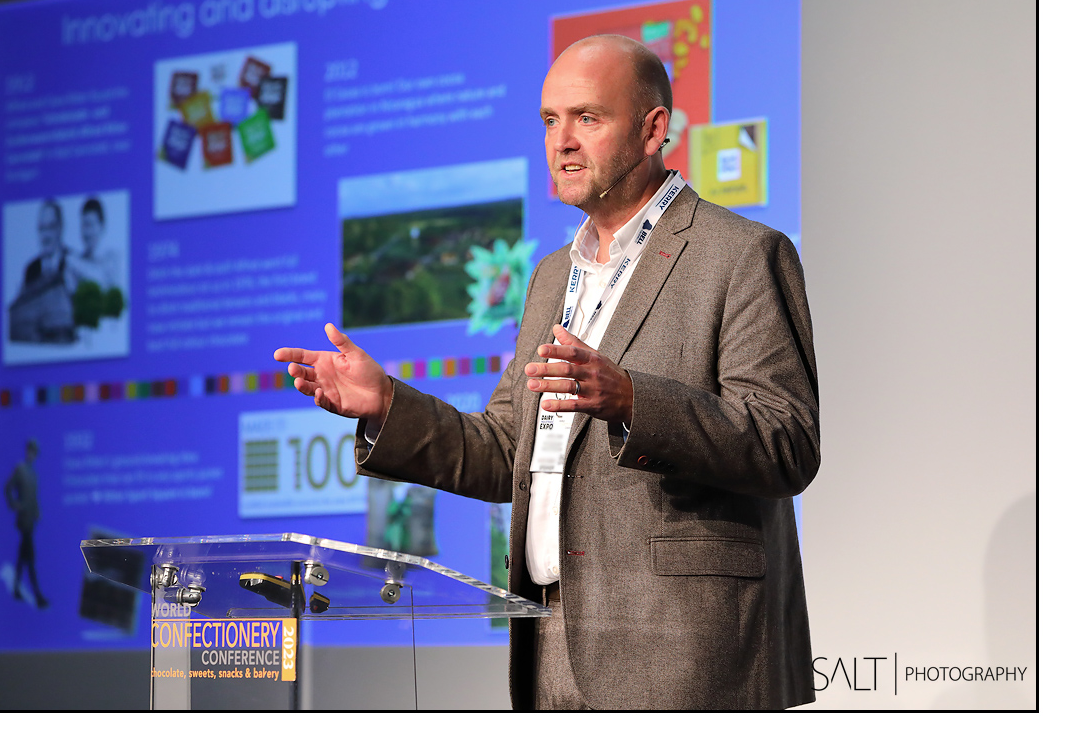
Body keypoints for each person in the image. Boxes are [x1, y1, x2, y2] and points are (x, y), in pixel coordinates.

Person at [274, 35, 819, 710]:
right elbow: (510, 450)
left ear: (653, 130)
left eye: (588, 118)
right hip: (549, 640)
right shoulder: (551, 277)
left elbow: (786, 441)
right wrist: (386, 405)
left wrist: (631, 401)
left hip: (683, 647)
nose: (561, 141)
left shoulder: (741, 255)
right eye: (549, 121)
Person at [5, 439, 48, 609]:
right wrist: (15, 505)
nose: (31, 454)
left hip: (31, 521)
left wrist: (37, 511)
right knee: (30, 558)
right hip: (23, 521)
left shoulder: (33, 473)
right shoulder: (20, 469)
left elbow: (33, 497)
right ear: (27, 451)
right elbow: (8, 487)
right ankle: (37, 596)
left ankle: (16, 588)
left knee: (22, 557)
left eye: (34, 452)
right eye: (30, 451)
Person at [21, 199, 69, 294]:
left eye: (50, 227)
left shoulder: (72, 263)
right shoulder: (31, 270)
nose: (45, 235)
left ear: (60, 228)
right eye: (42, 228)